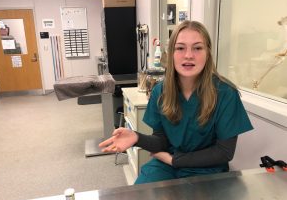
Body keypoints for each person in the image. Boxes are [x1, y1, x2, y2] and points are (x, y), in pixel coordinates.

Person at [99, 20, 253, 184]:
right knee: (142, 199)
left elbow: (224, 152)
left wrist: (175, 160)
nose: (188, 55)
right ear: (171, 53)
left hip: (207, 170)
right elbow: (161, 140)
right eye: (180, 48)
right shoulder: (161, 91)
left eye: (197, 48)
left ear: (208, 53)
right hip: (166, 166)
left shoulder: (225, 94)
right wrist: (137, 137)